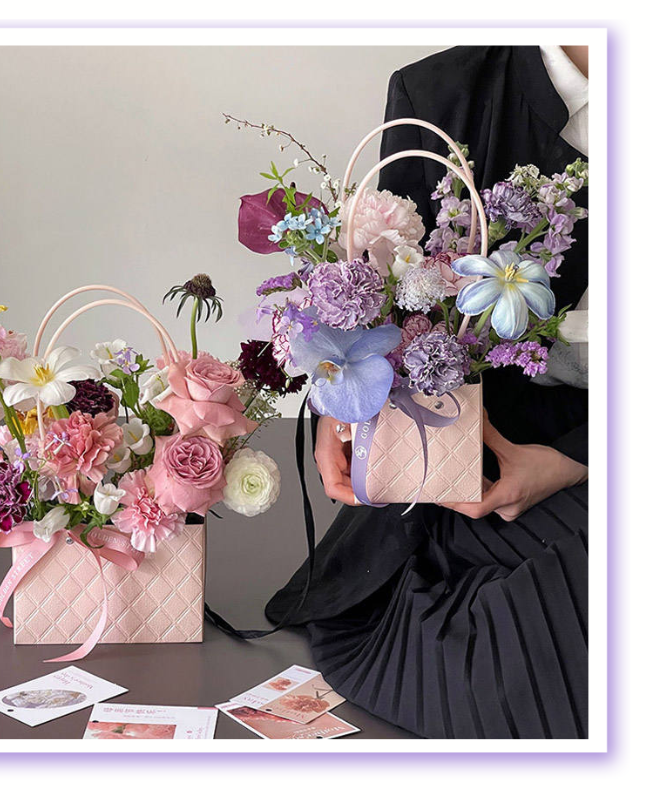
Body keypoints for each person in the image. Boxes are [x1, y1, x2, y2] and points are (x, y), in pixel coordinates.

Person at [265, 45, 590, 739]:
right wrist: (348, 394)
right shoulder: (443, 92)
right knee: (507, 650)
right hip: (484, 450)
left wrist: (585, 457)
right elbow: (389, 298)